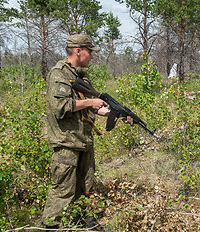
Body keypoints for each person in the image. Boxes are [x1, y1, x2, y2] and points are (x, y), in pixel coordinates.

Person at [42, 34, 133, 228]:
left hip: (83, 141)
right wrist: (90, 101)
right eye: (89, 52)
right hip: (67, 142)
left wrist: (118, 115)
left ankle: (86, 221)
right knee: (62, 191)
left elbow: (95, 107)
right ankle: (50, 227)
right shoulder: (59, 73)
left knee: (86, 187)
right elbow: (61, 106)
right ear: (78, 51)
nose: (92, 56)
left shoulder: (81, 76)